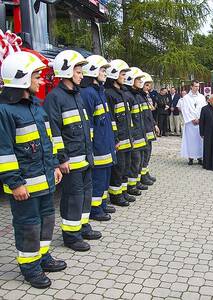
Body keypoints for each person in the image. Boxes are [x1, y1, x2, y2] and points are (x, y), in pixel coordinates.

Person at [0, 51, 66, 288]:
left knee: (46, 220)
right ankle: (29, 268)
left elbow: (48, 141)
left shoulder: (37, 107)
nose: (41, 81)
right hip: (25, 185)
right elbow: (4, 152)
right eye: (37, 76)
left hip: (46, 178)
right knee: (28, 226)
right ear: (22, 78)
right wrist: (15, 182)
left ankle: (42, 256)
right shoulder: (4, 111)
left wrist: (56, 165)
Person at [44, 50, 100, 252]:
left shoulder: (77, 95)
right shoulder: (55, 98)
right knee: (72, 198)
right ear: (66, 71)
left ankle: (81, 226)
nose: (81, 75)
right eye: (78, 72)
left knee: (85, 195)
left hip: (84, 157)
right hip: (70, 160)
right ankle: (70, 235)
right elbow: (54, 132)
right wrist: (61, 159)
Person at [80, 55, 116, 222]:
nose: (105, 73)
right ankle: (95, 209)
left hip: (105, 144)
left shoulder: (99, 91)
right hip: (98, 147)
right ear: (92, 71)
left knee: (105, 177)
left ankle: (101, 204)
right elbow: (89, 125)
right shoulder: (88, 93)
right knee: (98, 178)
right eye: (102, 70)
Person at [104, 59, 135, 207]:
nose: (125, 77)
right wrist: (116, 139)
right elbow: (112, 120)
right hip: (119, 139)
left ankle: (122, 192)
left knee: (126, 166)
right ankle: (115, 195)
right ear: (114, 75)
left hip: (126, 137)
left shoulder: (122, 93)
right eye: (122, 74)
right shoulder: (109, 94)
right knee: (118, 168)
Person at [179, 80, 207, 165]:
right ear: (191, 86)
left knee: (200, 140)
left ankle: (200, 157)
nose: (197, 88)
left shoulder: (202, 97)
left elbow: (204, 109)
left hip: (199, 122)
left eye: (198, 86)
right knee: (190, 141)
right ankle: (190, 157)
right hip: (190, 123)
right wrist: (191, 119)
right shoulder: (186, 98)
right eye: (195, 86)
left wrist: (200, 119)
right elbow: (184, 110)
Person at [140, 72, 159, 185]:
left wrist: (154, 124)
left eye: (149, 85)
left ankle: (145, 172)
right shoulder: (140, 97)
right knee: (143, 153)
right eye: (147, 85)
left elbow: (149, 113)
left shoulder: (146, 97)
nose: (149, 87)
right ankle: (142, 175)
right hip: (144, 130)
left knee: (148, 152)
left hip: (149, 128)